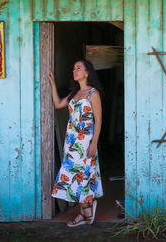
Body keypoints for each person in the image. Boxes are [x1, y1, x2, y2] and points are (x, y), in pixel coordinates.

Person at [48, 59, 103, 227]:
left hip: (86, 142)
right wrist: (53, 84)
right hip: (71, 142)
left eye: (78, 68)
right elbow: (58, 104)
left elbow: (98, 119)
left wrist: (94, 143)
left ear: (87, 72)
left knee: (84, 175)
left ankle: (85, 212)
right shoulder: (74, 94)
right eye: (73, 68)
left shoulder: (92, 93)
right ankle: (85, 211)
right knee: (73, 176)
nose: (74, 71)